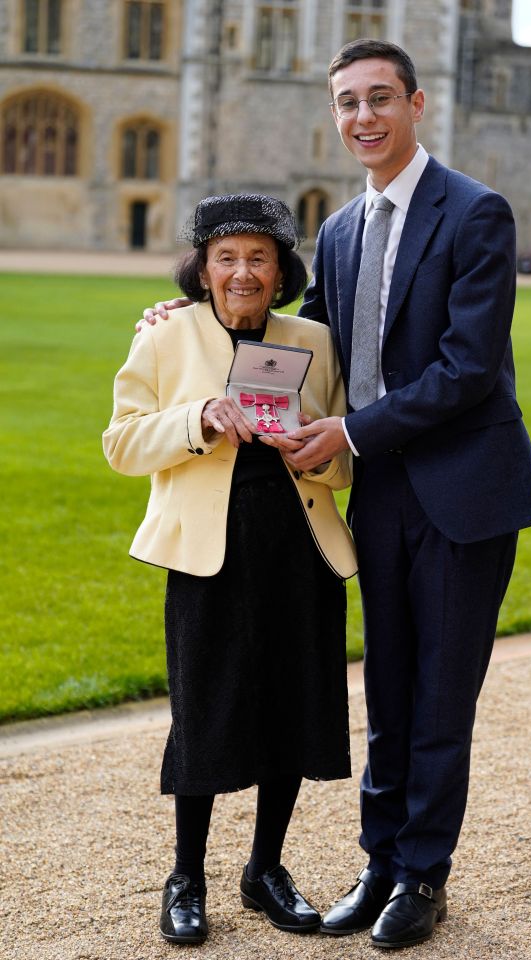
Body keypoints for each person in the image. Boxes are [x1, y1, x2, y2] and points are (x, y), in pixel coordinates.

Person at [139, 39, 531, 951]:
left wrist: (352, 432)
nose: (362, 118)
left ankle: (423, 876)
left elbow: (468, 368)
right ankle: (378, 861)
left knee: (440, 697)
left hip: (461, 491)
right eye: (347, 104)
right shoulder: (340, 229)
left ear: (414, 104)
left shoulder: (475, 212)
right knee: (389, 693)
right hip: (377, 493)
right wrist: (187, 313)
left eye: (378, 100)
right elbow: (299, 331)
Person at [103, 194, 357, 946]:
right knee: (206, 710)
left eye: (257, 258)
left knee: (294, 707)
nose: (242, 272)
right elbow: (120, 444)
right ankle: (186, 874)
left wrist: (314, 444)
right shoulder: (165, 335)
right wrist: (200, 418)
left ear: (280, 269)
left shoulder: (314, 338)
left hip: (300, 550)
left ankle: (264, 870)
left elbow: (341, 469)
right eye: (226, 258)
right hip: (207, 556)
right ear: (203, 267)